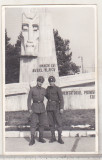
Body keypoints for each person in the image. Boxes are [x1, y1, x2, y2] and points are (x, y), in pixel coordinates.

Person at [27, 76, 47, 146]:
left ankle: (40, 138)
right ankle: (32, 139)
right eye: (39, 81)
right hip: (34, 108)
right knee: (33, 124)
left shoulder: (44, 90)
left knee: (42, 124)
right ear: (37, 81)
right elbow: (29, 100)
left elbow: (49, 96)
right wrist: (29, 108)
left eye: (41, 82)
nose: (40, 83)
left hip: (42, 108)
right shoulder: (32, 89)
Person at [46, 76, 64, 144]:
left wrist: (61, 108)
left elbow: (61, 99)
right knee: (51, 123)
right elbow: (46, 96)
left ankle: (59, 138)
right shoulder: (47, 89)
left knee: (59, 123)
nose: (51, 83)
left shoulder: (58, 89)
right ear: (49, 82)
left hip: (56, 107)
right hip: (49, 107)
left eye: (52, 81)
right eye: (50, 82)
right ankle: (53, 137)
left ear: (54, 81)